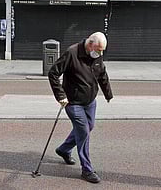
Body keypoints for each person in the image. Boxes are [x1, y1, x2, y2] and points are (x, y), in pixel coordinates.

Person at [48, 32, 113, 184]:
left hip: (90, 100)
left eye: (102, 51)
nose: (100, 53)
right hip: (73, 102)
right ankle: (87, 169)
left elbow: (102, 73)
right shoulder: (72, 53)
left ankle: (63, 149)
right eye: (98, 49)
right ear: (90, 44)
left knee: (89, 126)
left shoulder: (96, 54)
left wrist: (108, 93)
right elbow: (53, 73)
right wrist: (61, 96)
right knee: (83, 131)